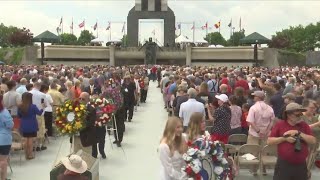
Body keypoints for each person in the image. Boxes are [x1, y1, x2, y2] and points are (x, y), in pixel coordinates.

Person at [267, 103, 316, 180]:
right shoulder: (280, 125)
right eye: (297, 115)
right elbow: (269, 141)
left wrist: (298, 132)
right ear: (289, 115)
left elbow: (313, 141)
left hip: (301, 164)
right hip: (284, 164)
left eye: (300, 115)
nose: (300, 117)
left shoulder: (304, 125)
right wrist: (284, 139)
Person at [246, 91, 275, 175]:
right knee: (264, 152)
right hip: (266, 133)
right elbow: (272, 121)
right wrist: (267, 130)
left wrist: (258, 131)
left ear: (257, 97)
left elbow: (250, 121)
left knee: (253, 151)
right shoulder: (269, 108)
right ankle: (263, 169)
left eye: (254, 96)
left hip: (254, 133)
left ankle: (253, 170)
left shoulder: (253, 108)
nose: (254, 97)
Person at [18, 92, 45, 159]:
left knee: (25, 140)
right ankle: (30, 154)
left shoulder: (20, 106)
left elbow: (19, 116)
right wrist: (42, 107)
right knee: (30, 140)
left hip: (23, 124)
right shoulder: (33, 106)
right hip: (32, 124)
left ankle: (26, 154)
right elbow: (39, 113)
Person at [73, 92, 97, 156]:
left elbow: (90, 123)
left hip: (86, 138)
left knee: (87, 157)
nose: (80, 100)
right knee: (75, 156)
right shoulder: (74, 108)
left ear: (88, 100)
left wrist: (78, 127)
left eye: (83, 99)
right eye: (79, 98)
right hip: (75, 138)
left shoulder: (91, 110)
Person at [0, 94, 14, 180]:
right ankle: (3, 178)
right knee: (3, 160)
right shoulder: (3, 112)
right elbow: (10, 125)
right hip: (3, 139)